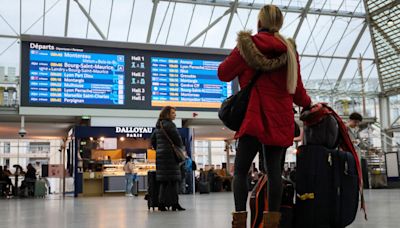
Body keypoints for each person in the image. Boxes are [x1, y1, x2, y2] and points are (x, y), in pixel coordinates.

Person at [218, 4, 312, 228]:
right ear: (279, 24)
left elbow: (223, 73)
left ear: (259, 23)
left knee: (240, 171)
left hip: (254, 116)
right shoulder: (289, 50)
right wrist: (309, 104)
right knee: (274, 173)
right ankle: (271, 223)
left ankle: (240, 222)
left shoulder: (247, 46)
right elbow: (297, 90)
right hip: (280, 119)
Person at [151, 106, 185, 211]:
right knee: (174, 180)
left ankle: (161, 204)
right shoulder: (170, 125)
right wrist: (179, 147)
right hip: (170, 156)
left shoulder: (158, 125)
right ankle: (175, 203)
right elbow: (178, 140)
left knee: (163, 181)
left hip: (160, 156)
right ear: (167, 114)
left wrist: (160, 149)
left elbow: (153, 140)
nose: (175, 115)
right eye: (173, 113)